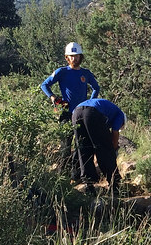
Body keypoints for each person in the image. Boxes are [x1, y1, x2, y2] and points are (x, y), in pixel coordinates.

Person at [40, 42, 102, 174]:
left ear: (81, 57)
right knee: (65, 145)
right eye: (71, 56)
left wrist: (90, 102)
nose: (74, 59)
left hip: (81, 114)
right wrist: (53, 98)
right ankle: (64, 173)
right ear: (67, 57)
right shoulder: (62, 72)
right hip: (66, 113)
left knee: (81, 145)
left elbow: (96, 88)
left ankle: (77, 173)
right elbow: (44, 85)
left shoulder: (86, 73)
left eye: (76, 56)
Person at [71, 97, 125, 192]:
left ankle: (89, 185)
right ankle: (114, 184)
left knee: (84, 148)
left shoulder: (109, 114)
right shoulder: (120, 115)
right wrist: (114, 149)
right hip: (92, 112)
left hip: (76, 113)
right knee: (104, 148)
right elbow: (115, 133)